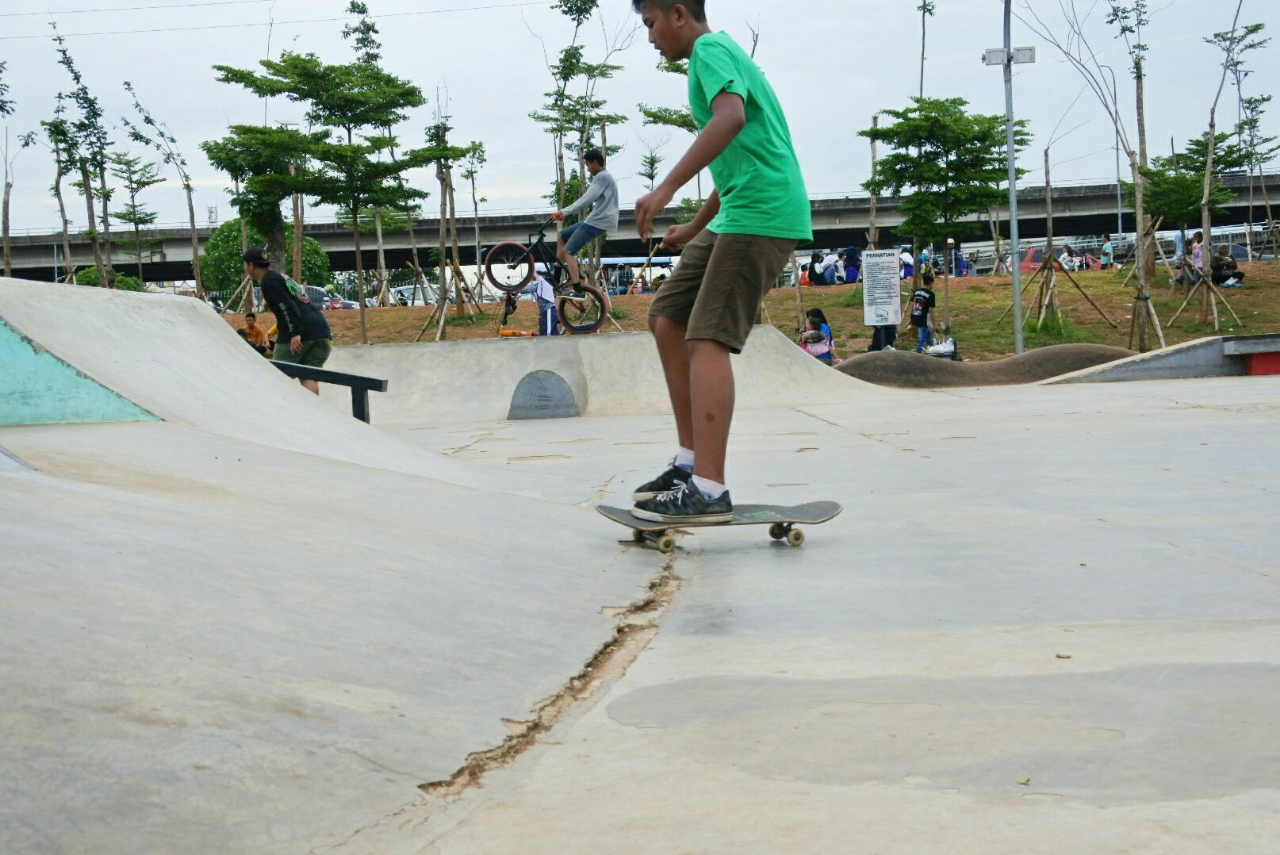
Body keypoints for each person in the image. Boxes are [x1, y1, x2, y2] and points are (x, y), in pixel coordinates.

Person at [629, 0, 811, 523]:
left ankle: (708, 489)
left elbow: (729, 118)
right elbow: (737, 154)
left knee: (706, 336)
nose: (651, 38)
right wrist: (695, 224)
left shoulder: (709, 49)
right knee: (667, 315)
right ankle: (690, 463)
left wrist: (666, 188)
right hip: (739, 209)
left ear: (679, 13)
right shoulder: (721, 53)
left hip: (762, 214)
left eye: (651, 24)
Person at [244, 247, 332, 394]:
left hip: (300, 331)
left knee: (276, 376)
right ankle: (310, 414)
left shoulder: (268, 281)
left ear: (251, 265)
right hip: (321, 331)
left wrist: (295, 332)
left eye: (246, 265)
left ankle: (276, 415)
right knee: (308, 377)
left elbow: (287, 305)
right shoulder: (279, 276)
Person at [552, 149, 619, 293]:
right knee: (562, 235)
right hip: (596, 219)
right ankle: (556, 275)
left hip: (598, 221)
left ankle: (578, 288)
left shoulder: (602, 177)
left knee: (568, 251)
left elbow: (586, 200)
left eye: (588, 165)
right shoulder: (605, 177)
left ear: (595, 162)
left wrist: (563, 212)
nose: (588, 169)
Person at [906, 270, 939, 354]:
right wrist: (934, 325)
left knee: (927, 334)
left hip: (914, 316)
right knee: (922, 338)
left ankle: (933, 348)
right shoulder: (931, 294)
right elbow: (931, 311)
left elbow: (913, 305)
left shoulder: (917, 291)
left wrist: (910, 319)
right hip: (922, 319)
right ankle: (917, 353)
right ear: (931, 283)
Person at [533, 263, 561, 335]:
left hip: (549, 313)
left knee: (548, 337)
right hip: (545, 315)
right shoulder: (543, 282)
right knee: (545, 335)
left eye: (531, 271)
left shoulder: (544, 283)